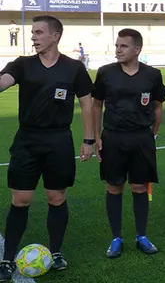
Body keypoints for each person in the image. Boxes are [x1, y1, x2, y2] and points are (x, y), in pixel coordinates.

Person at [0, 15, 94, 281]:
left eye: (39, 32)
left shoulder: (74, 68)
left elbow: (87, 103)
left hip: (59, 141)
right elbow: (3, 81)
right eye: (33, 33)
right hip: (27, 140)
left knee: (57, 198)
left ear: (55, 36)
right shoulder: (22, 64)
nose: (33, 37)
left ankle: (55, 252)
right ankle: (7, 259)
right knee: (21, 199)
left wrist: (88, 140)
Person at [92, 29, 165, 258]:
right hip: (113, 137)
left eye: (123, 46)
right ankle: (116, 238)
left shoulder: (153, 75)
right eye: (117, 45)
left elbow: (157, 105)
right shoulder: (105, 73)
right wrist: (96, 136)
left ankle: (141, 236)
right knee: (114, 187)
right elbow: (96, 105)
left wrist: (153, 133)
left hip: (141, 139)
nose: (118, 49)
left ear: (137, 49)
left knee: (139, 187)